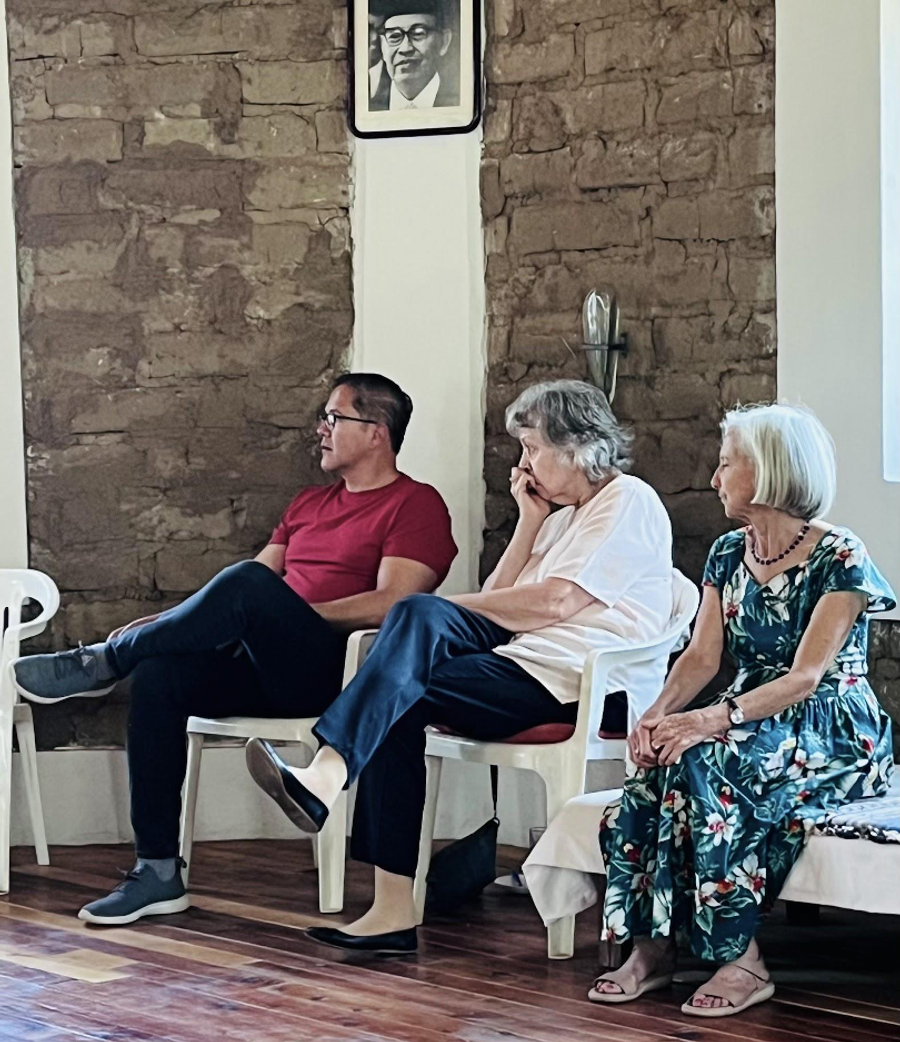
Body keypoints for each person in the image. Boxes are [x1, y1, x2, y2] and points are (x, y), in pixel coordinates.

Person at [244, 379, 675, 956]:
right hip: (519, 664)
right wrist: (527, 520)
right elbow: (501, 597)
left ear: (580, 447)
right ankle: (391, 909)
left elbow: (553, 603)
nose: (524, 464)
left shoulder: (628, 501)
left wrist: (437, 609)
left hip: (575, 683)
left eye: (532, 449)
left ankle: (326, 774)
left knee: (414, 622)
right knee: (397, 694)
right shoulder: (556, 519)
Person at [13, 373, 458, 926]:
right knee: (159, 676)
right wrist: (174, 623)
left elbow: (393, 603)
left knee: (247, 586)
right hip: (264, 662)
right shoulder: (308, 504)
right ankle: (156, 872)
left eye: (334, 418)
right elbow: (245, 590)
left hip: (338, 673)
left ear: (376, 432)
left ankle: (105, 658)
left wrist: (289, 614)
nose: (320, 430)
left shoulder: (415, 504)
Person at [591, 403, 895, 1018]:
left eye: (727, 463)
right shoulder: (729, 552)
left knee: (706, 766)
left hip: (830, 722)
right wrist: (655, 716)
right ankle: (653, 947)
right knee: (655, 768)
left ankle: (743, 960)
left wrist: (708, 720)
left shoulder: (840, 555)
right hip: (751, 712)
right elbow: (703, 658)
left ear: (773, 471)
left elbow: (808, 677)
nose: (714, 477)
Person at [368, 0, 457, 111]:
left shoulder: (458, 104)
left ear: (444, 42)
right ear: (382, 44)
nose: (405, 48)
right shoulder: (370, 112)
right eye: (394, 36)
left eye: (418, 34)